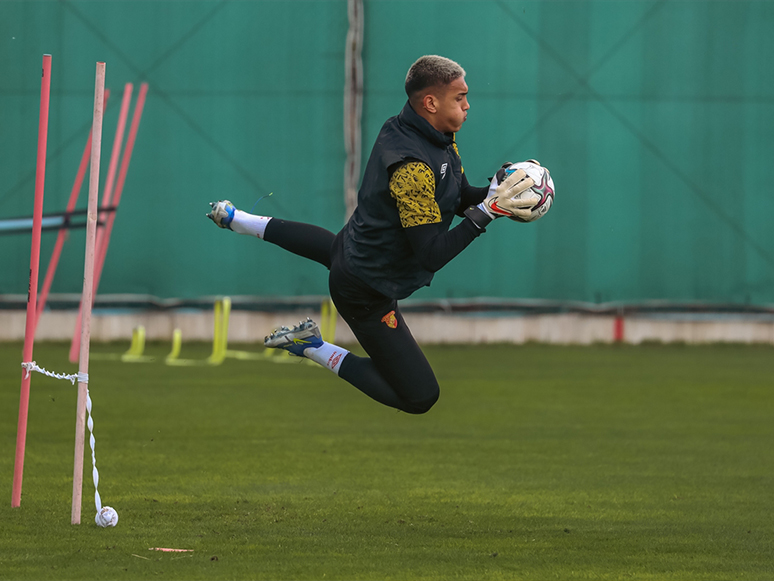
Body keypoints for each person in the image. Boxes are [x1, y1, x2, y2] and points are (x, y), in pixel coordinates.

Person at [207, 55, 543, 414]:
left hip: (359, 250)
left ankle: (236, 219)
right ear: (430, 103)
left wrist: (493, 191)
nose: (467, 104)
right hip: (367, 291)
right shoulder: (411, 166)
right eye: (460, 97)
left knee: (335, 250)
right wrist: (486, 214)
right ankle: (313, 347)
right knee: (420, 396)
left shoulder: (432, 135)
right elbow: (431, 253)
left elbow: (456, 196)